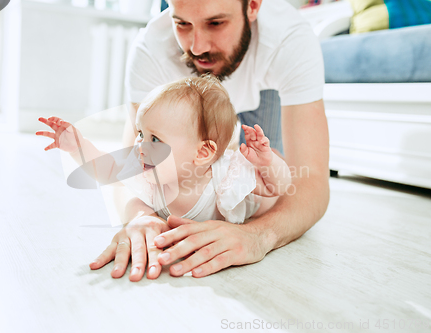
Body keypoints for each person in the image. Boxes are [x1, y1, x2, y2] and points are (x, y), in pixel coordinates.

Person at [94, 0, 330, 281]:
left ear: (253, 6)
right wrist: (140, 217)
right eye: (182, 23)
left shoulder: (290, 40)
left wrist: (257, 236)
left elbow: (309, 179)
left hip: (263, 89)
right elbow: (130, 170)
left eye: (215, 23)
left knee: (268, 172)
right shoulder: (151, 49)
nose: (197, 47)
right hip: (192, 112)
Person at [36, 74, 291, 227]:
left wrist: (267, 162)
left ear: (202, 153)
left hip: (257, 199)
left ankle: (269, 157)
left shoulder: (226, 174)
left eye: (154, 138)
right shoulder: (147, 167)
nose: (140, 145)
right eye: (140, 134)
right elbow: (107, 170)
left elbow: (276, 188)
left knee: (271, 181)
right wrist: (77, 146)